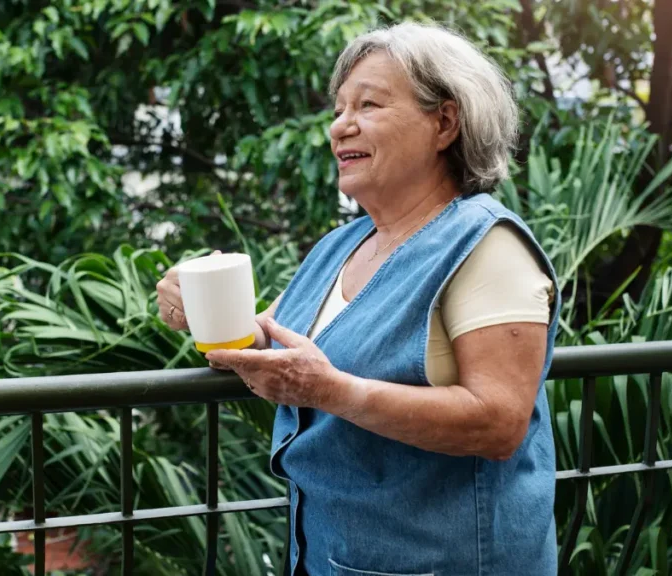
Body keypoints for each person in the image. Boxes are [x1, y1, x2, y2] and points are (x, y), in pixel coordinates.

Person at [157, 22, 560, 576]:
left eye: (368, 105)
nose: (340, 126)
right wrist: (202, 310)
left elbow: (497, 424)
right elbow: (273, 342)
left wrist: (331, 391)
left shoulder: (487, 245)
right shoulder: (341, 244)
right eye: (339, 109)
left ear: (444, 122)